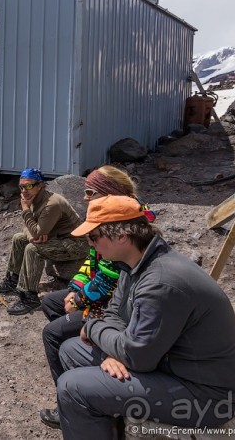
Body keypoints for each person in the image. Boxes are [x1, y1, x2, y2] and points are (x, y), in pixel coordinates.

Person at [52, 196, 235, 438]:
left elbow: (137, 356)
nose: (92, 246)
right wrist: (111, 353)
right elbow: (114, 311)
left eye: (94, 237)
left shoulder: (160, 281)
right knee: (70, 349)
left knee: (72, 387)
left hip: (206, 396)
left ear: (122, 235)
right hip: (171, 366)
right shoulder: (134, 262)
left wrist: (92, 328)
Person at [39, 166, 155, 428]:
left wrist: (80, 300)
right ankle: (82, 363)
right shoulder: (106, 219)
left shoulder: (121, 224)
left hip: (110, 303)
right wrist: (74, 290)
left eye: (90, 191)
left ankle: (70, 400)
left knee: (52, 334)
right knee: (51, 302)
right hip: (100, 298)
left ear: (108, 192)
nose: (84, 197)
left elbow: (109, 278)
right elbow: (92, 263)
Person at [0, 168, 88, 315]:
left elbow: (37, 231)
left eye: (29, 186)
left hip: (74, 244)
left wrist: (26, 211)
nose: (24, 190)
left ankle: (29, 297)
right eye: (22, 186)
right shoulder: (33, 198)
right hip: (56, 238)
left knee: (33, 249)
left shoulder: (51, 203)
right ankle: (13, 280)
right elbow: (28, 226)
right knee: (19, 238)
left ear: (40, 185)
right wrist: (32, 233)